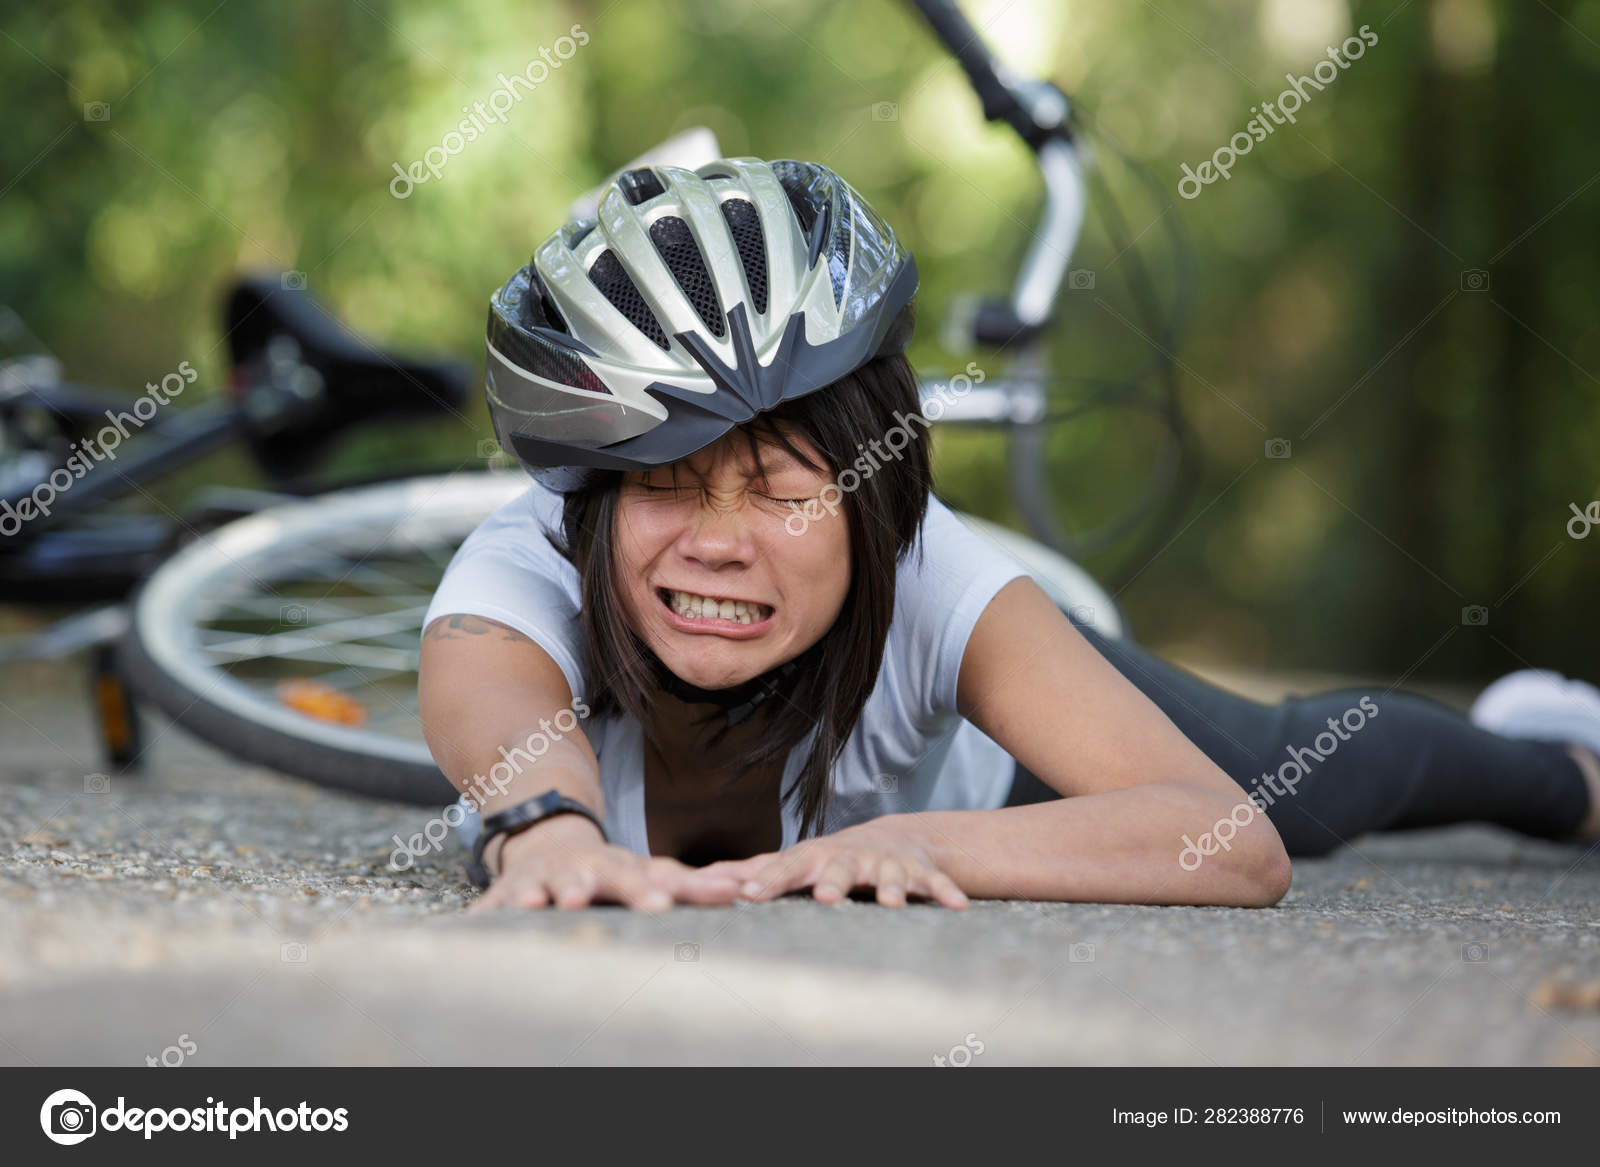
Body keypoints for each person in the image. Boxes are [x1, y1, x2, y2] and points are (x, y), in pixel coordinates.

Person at [419, 157, 1600, 913]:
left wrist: (924, 844)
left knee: (1301, 772)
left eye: (781, 491)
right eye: (669, 487)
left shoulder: (931, 573)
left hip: (995, 777)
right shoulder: (527, 569)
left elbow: (1232, 844)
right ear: (593, 504)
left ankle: (1561, 765)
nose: (718, 543)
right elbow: (505, 724)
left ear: (874, 498)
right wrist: (546, 839)